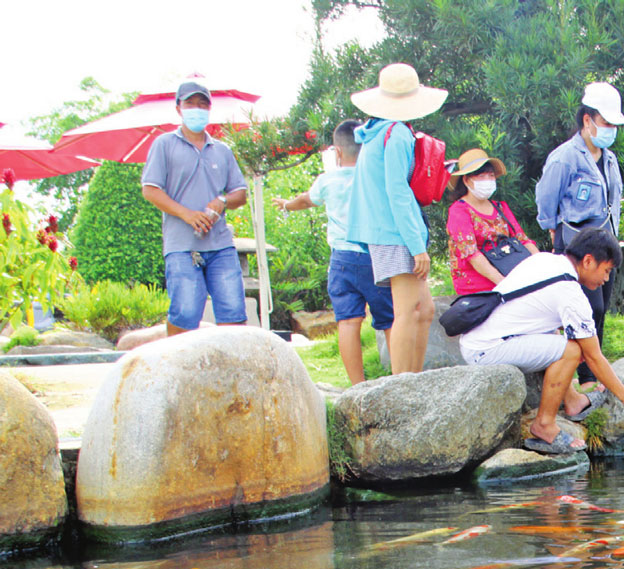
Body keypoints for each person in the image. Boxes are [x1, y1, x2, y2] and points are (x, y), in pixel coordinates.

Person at [460, 228, 624, 454]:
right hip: (487, 349)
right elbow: (593, 356)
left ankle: (574, 401)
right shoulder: (569, 292)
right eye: (606, 271)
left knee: (559, 336)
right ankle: (544, 425)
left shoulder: (544, 260)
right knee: (571, 351)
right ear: (588, 261)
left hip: (478, 339)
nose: (606, 279)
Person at [272, 120, 394, 385]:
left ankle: (357, 385)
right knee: (389, 321)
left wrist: (287, 205)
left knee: (348, 322)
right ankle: (399, 378)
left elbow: (306, 200)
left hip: (342, 258)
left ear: (337, 152)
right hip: (375, 255)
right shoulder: (376, 177)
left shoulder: (327, 180)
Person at [347, 63, 447, 375]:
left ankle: (412, 379)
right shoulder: (397, 134)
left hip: (387, 231)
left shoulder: (375, 133)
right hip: (396, 233)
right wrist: (417, 246)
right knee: (406, 311)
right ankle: (403, 385)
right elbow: (398, 192)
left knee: (424, 309)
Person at [535, 81, 624, 391]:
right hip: (578, 245)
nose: (610, 129)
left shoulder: (610, 158)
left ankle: (594, 370)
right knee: (585, 310)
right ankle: (586, 376)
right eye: (606, 123)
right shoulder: (565, 157)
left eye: (615, 124)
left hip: (606, 246)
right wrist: (554, 230)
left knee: (601, 309)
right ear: (587, 120)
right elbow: (547, 200)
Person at [141, 80, 249, 336]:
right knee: (185, 311)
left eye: (203, 104)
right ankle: (178, 366)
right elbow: (150, 190)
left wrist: (222, 201)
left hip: (221, 244)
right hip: (182, 245)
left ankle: (229, 369)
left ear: (210, 109)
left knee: (233, 311)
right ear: (179, 108)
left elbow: (240, 193)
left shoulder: (222, 150)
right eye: (190, 103)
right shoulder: (164, 144)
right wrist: (187, 214)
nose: (197, 109)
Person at [446, 148, 539, 294]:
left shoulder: (500, 207)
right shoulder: (459, 211)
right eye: (482, 176)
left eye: (491, 176)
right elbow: (472, 254)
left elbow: (523, 239)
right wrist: (505, 284)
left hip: (512, 275)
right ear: (466, 180)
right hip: (479, 284)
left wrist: (544, 266)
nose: (488, 180)